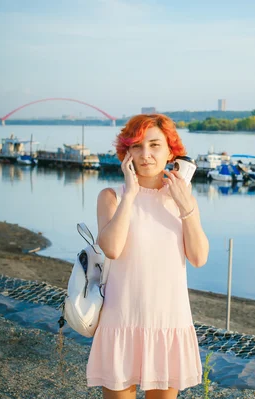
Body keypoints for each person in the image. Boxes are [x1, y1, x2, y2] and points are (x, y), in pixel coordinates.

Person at [87, 114, 210, 399]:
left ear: (171, 151)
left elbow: (199, 257)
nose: (146, 155)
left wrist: (185, 205)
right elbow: (112, 249)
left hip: (168, 324)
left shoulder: (183, 198)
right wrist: (130, 195)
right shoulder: (112, 197)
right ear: (126, 153)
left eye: (155, 145)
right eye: (137, 146)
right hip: (122, 321)